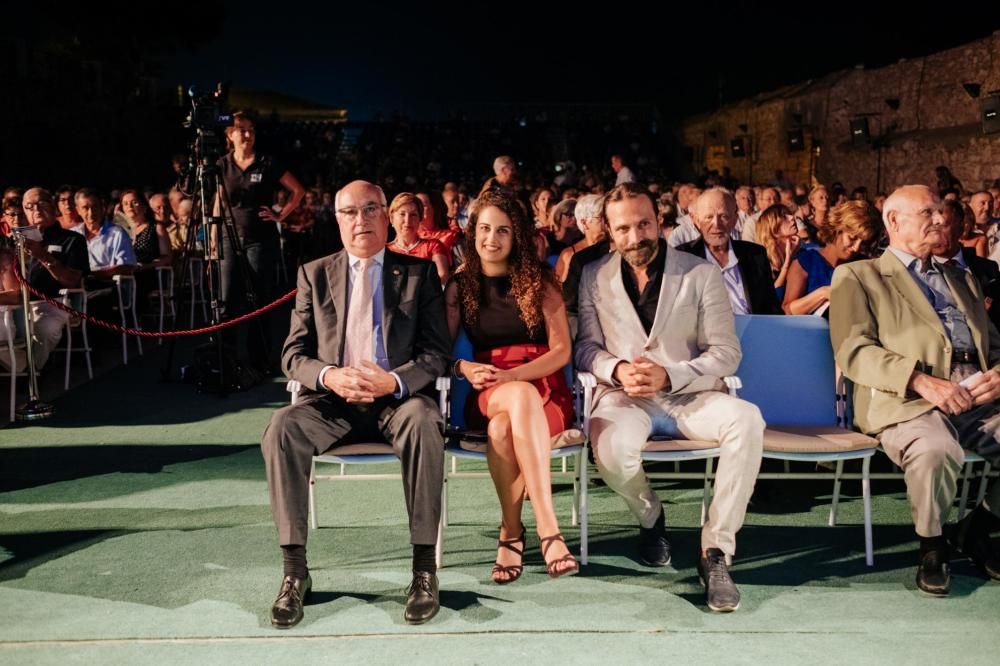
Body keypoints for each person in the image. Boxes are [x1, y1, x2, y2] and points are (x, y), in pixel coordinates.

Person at [261, 180, 450, 628]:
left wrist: (394, 381)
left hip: (396, 404)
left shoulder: (419, 274)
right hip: (332, 404)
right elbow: (293, 355)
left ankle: (424, 571)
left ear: (386, 217)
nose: (360, 220)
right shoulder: (314, 273)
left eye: (370, 210)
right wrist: (331, 375)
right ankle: (294, 574)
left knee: (425, 420)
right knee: (281, 428)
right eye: (350, 212)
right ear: (338, 220)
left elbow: (436, 353)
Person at [575, 183, 764, 612]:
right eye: (623, 228)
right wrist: (618, 370)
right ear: (609, 230)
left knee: (747, 419)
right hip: (625, 396)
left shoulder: (701, 273)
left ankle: (715, 552)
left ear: (660, 222)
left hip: (688, 395)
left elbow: (726, 353)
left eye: (644, 224)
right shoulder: (593, 275)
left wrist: (671, 375)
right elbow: (586, 347)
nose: (636, 236)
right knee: (610, 447)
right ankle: (650, 516)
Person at [831, 184, 1000, 596]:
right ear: (893, 221)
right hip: (906, 400)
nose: (940, 220)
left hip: (974, 396)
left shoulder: (961, 278)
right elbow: (854, 350)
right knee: (935, 449)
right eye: (928, 213)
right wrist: (921, 380)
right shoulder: (859, 275)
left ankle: (979, 526)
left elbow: (992, 344)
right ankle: (933, 545)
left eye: (940, 211)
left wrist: (998, 373)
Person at [444, 189, 579, 583]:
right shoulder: (459, 286)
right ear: (472, 233)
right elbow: (435, 351)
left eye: (502, 230)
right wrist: (463, 366)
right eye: (484, 228)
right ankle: (549, 530)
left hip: (544, 385)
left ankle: (511, 531)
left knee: (503, 429)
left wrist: (517, 375)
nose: (491, 238)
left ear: (515, 235)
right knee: (513, 401)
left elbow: (561, 351)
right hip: (488, 386)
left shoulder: (540, 281)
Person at [216, 110, 306, 373]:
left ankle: (260, 360)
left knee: (258, 299)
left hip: (260, 239)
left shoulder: (267, 162)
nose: (247, 134)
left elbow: (298, 191)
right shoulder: (222, 164)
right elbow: (218, 203)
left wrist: (280, 215)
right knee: (227, 300)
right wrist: (212, 239)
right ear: (229, 135)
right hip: (229, 237)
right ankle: (227, 358)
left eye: (251, 129)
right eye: (241, 129)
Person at [0, 188, 88, 371]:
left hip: (53, 304)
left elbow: (72, 280)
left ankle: (30, 373)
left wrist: (43, 256)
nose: (36, 209)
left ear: (55, 207)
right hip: (15, 303)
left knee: (45, 330)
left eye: (42, 203)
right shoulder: (13, 242)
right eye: (29, 206)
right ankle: (20, 367)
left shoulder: (73, 239)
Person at [677, 188, 782, 315]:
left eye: (724, 216)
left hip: (750, 331)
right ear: (696, 221)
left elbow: (771, 307)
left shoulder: (755, 255)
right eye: (709, 217)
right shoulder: (682, 257)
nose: (716, 224)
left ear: (734, 219)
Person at [783, 200, 881, 315]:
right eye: (852, 238)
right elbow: (787, 310)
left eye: (863, 243)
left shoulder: (863, 264)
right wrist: (823, 293)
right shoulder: (806, 261)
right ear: (837, 230)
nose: (856, 248)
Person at [936, 198, 1000, 331]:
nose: (935, 232)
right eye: (932, 225)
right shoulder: (915, 270)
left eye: (943, 225)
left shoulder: (988, 270)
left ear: (961, 228)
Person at [386, 192, 449, 284]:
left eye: (413, 215)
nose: (407, 221)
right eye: (402, 214)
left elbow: (442, 277)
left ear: (420, 219)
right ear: (391, 218)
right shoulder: (385, 251)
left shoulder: (433, 246)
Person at [755, 204, 801, 303]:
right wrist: (788, 261)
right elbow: (774, 299)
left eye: (790, 214)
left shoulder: (802, 253)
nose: (792, 217)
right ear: (773, 229)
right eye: (784, 216)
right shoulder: (761, 262)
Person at [554, 194, 605, 282]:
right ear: (584, 222)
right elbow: (561, 289)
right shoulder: (569, 255)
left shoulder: (614, 247)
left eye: (607, 217)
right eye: (601, 218)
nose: (606, 222)